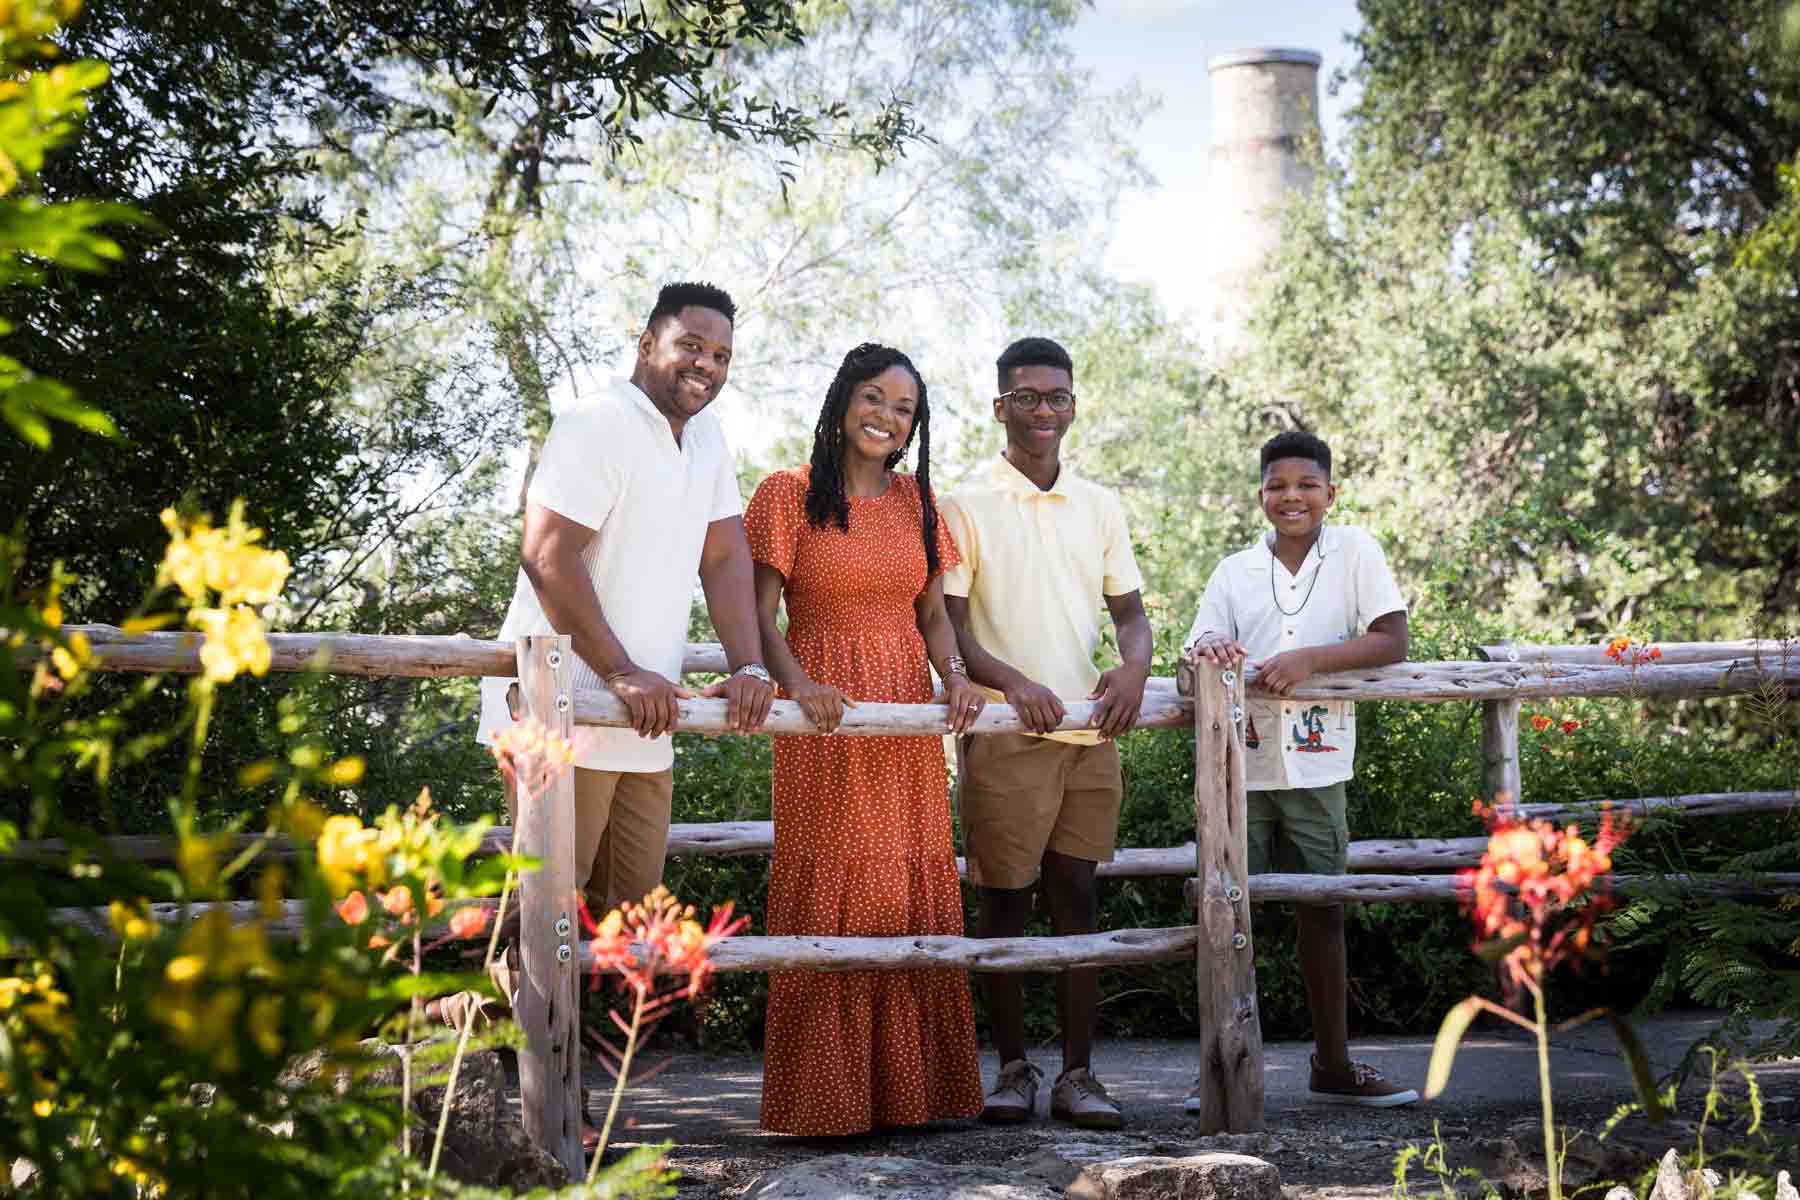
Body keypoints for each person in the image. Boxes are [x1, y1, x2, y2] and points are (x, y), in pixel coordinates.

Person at [444, 284, 775, 1075]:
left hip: (642, 715)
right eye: (691, 345)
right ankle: (493, 1082)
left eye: (721, 354)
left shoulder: (708, 440)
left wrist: (750, 663)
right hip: (562, 704)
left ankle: (580, 1095)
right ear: (647, 340)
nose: (706, 365)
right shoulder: (598, 423)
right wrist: (621, 668)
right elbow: (547, 552)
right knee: (553, 910)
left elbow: (725, 557)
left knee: (633, 922)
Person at [745, 342, 987, 1137]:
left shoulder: (919, 502)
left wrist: (953, 676)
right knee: (836, 888)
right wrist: (799, 685)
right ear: (844, 400)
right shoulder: (786, 495)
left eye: (905, 408)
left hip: (904, 718)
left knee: (902, 883)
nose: (888, 417)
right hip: (825, 715)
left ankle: (912, 1095)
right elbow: (761, 613)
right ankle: (828, 1100)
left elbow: (931, 617)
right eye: (876, 399)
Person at [940, 336, 1153, 1131]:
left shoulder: (1100, 504)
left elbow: (1130, 615)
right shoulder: (965, 505)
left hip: (1090, 732)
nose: (1043, 411)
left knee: (1078, 896)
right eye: (1026, 397)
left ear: (1073, 406)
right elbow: (952, 628)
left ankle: (1078, 1076)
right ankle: (1012, 1070)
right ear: (1000, 407)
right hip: (1006, 730)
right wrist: (1011, 683)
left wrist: (1133, 670)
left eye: (1056, 398)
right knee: (1004, 901)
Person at [1182, 429, 1417, 1109]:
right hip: (1239, 766)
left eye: (1307, 485)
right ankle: (1221, 1066)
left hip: (1318, 762)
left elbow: (1392, 638)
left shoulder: (1356, 553)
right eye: (1278, 486)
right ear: (1260, 496)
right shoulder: (1234, 571)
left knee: (1322, 908)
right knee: (1228, 912)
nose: (1292, 497)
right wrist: (1214, 645)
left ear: (1330, 493)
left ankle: (1334, 1064)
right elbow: (1199, 641)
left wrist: (1311, 659)